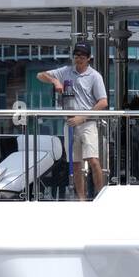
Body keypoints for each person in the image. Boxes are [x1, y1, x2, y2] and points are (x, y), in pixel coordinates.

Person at [37, 42, 108, 200]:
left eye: (82, 56)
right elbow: (40, 75)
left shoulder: (95, 76)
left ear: (89, 58)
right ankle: (81, 199)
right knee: (75, 163)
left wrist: (82, 117)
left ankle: (101, 197)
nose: (79, 59)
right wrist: (55, 81)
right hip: (69, 123)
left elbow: (103, 102)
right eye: (76, 56)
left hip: (87, 123)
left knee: (93, 160)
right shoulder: (65, 72)